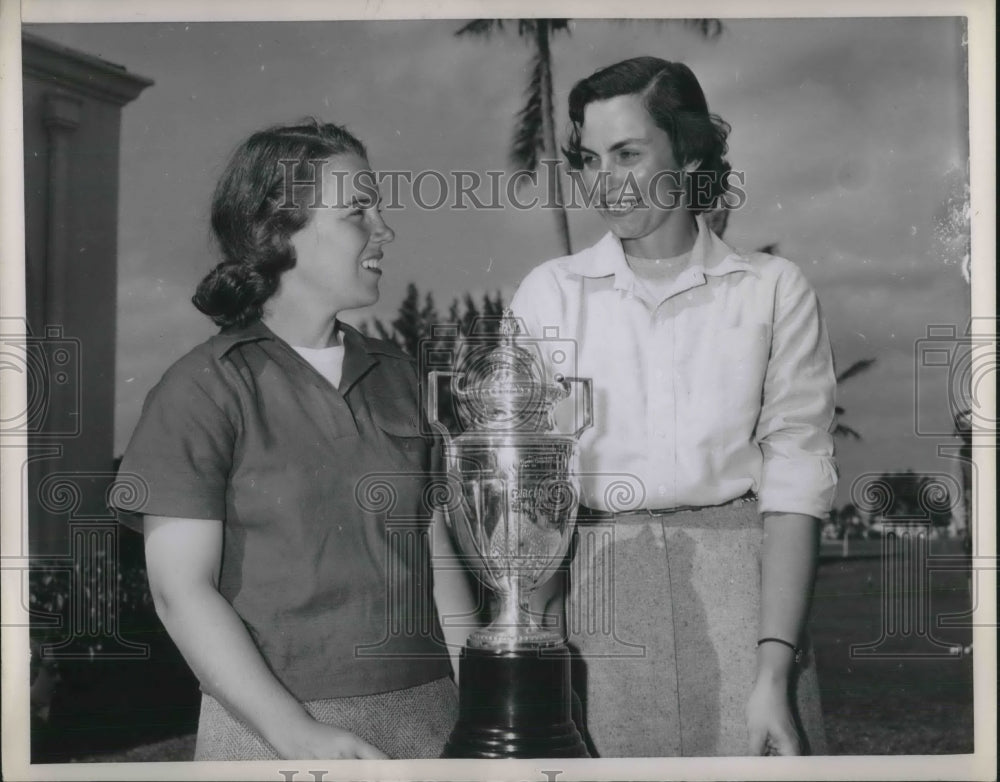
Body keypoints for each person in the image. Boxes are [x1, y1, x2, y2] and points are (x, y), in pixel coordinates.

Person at [510, 57, 835, 757]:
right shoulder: (550, 293)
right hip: (594, 606)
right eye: (590, 160)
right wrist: (535, 642)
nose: (605, 181)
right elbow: (529, 488)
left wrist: (773, 667)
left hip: (746, 598)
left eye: (628, 153)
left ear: (688, 154)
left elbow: (796, 479)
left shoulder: (773, 290)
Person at [114, 119, 470, 760]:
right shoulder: (201, 388)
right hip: (269, 729)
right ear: (278, 232)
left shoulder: (403, 378)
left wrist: (481, 696)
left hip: (432, 712)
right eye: (359, 209)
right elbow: (178, 590)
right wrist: (293, 733)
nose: (384, 228)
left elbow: (436, 552)